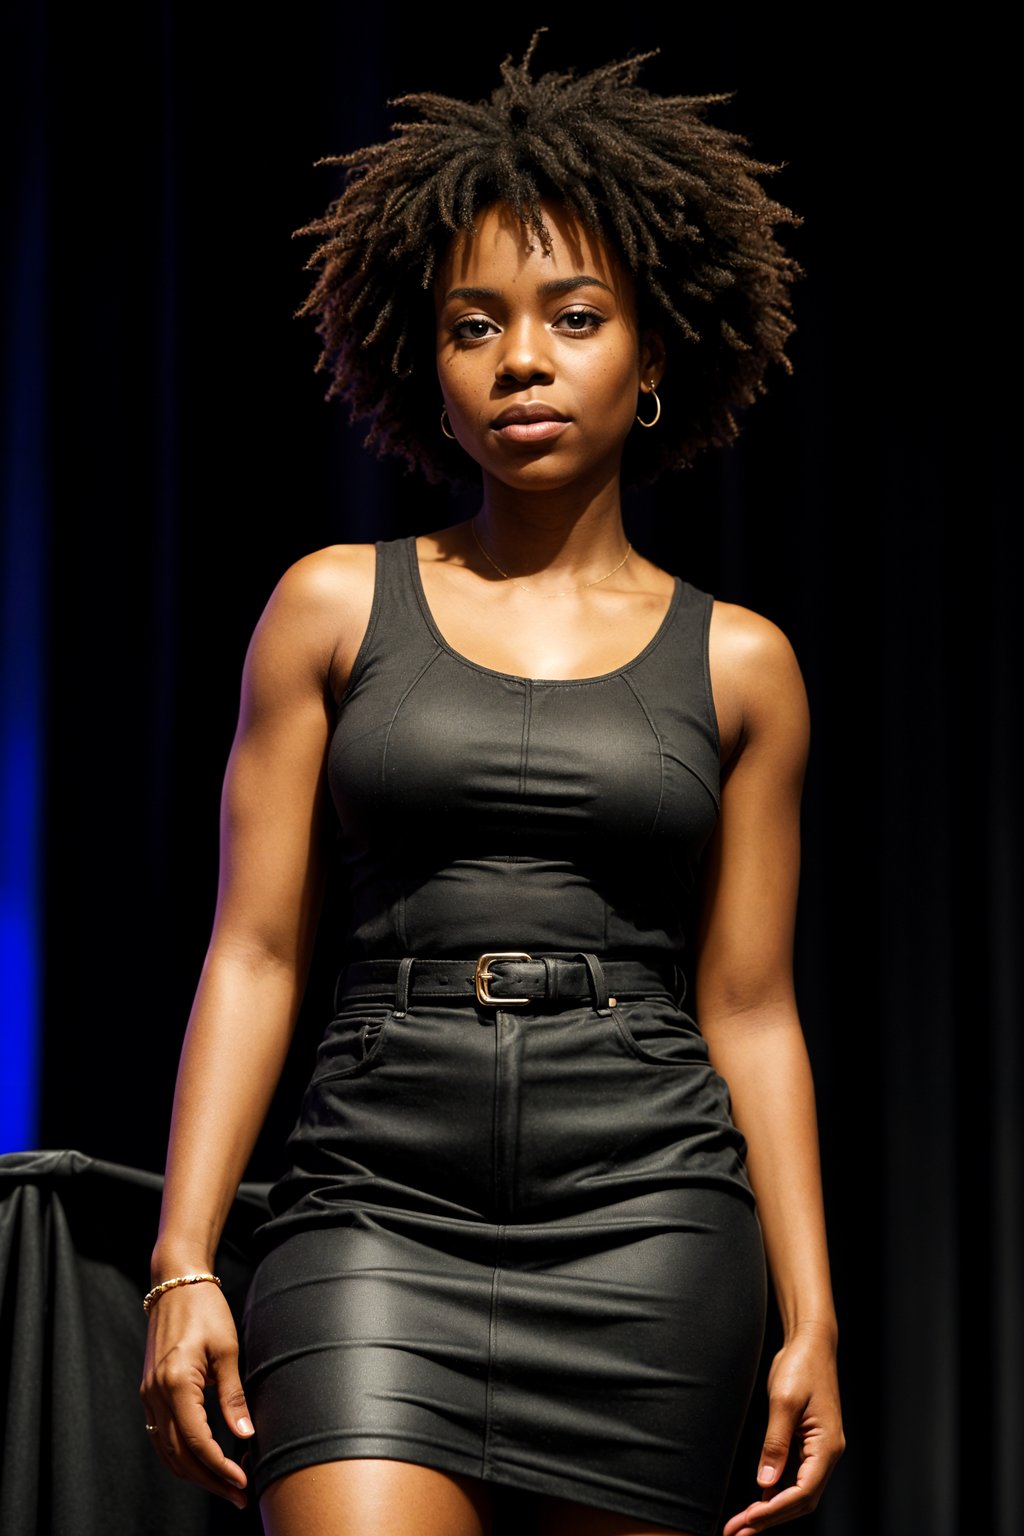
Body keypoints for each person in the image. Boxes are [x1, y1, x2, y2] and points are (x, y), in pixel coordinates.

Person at [140, 36, 844, 1536]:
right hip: (370, 1211)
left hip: (651, 1224)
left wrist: (813, 1314)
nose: (521, 357)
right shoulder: (329, 605)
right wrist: (184, 1256)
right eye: (476, 324)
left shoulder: (744, 665)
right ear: (428, 365)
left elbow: (755, 1006)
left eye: (574, 316)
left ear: (652, 355)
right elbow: (254, 951)